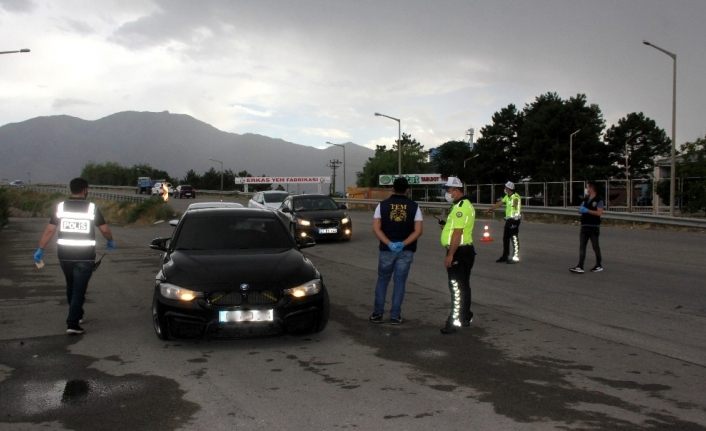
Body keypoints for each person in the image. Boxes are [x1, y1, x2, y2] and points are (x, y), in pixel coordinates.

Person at [33, 177, 116, 334]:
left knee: (71, 285)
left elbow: (50, 229)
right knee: (79, 289)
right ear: (85, 190)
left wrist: (40, 249)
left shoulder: (61, 207)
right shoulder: (91, 208)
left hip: (64, 255)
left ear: (71, 190)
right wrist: (110, 241)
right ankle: (73, 323)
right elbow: (104, 230)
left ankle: (77, 314)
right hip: (85, 255)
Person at [369, 177, 423, 325]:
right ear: (407, 190)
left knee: (382, 280)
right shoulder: (414, 206)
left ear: (392, 188)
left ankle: (377, 314)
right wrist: (403, 243)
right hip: (406, 250)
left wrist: (389, 243)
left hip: (386, 250)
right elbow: (418, 231)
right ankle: (395, 316)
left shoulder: (382, 205)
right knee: (399, 282)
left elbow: (376, 228)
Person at [439, 177, 476, 334]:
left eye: (449, 190)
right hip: (463, 250)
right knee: (463, 286)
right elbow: (454, 229)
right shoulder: (460, 205)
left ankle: (454, 321)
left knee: (455, 287)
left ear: (456, 190)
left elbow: (458, 233)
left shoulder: (461, 207)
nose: (447, 193)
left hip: (459, 252)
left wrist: (450, 255)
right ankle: (465, 316)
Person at [569, 181, 604, 274]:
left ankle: (599, 265)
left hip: (594, 226)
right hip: (584, 226)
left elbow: (599, 213)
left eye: (587, 187)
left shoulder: (599, 199)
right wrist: (581, 210)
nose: (586, 189)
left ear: (592, 188)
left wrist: (587, 210)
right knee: (582, 247)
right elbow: (580, 211)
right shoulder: (586, 198)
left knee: (595, 246)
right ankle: (580, 266)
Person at [487, 181, 521, 263]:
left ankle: (515, 258)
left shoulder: (515, 197)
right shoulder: (507, 196)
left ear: (509, 189)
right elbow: (500, 203)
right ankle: (505, 256)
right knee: (505, 239)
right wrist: (491, 209)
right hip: (509, 220)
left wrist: (507, 219)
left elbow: (515, 210)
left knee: (514, 238)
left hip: (514, 220)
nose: (505, 189)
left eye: (506, 187)